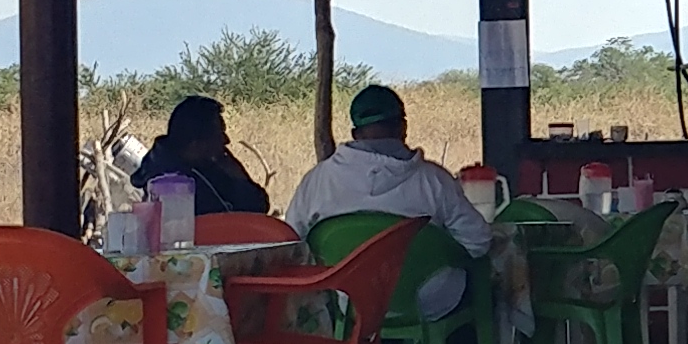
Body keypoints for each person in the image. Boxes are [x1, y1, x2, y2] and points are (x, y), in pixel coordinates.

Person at [283, 84, 495, 317]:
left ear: (355, 134)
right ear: (403, 127)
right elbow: (479, 241)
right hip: (428, 300)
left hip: (347, 301)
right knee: (483, 285)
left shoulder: (317, 181)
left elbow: (290, 242)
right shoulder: (434, 180)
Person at [133, 93, 270, 216]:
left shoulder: (211, 165)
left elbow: (259, 207)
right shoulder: (165, 181)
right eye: (219, 133)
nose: (226, 140)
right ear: (196, 143)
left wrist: (239, 177)